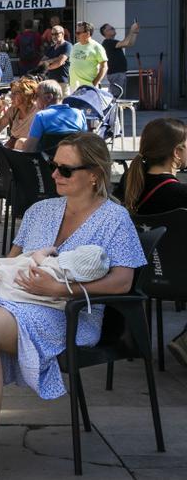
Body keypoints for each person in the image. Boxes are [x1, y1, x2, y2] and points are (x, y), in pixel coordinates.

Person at [0, 134, 143, 480]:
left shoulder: (114, 219)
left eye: (65, 170)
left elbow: (123, 282)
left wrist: (61, 287)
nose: (54, 174)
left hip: (67, 312)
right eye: (53, 166)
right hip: (18, 298)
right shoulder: (42, 210)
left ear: (94, 175)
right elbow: (11, 262)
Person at [120, 118, 187, 365]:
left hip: (139, 278)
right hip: (180, 282)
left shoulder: (128, 185)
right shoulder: (179, 195)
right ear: (176, 152)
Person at [23, 80, 86, 153]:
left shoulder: (41, 116)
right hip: (74, 160)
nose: (34, 100)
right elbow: (85, 142)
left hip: (48, 161)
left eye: (36, 96)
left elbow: (29, 148)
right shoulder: (79, 114)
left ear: (49, 97)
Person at [0, 76, 39, 150]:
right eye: (11, 93)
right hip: (15, 147)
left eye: (15, 93)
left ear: (26, 95)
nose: (11, 96)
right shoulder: (13, 110)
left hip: (30, 149)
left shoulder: (37, 111)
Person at [100, 22, 139, 96]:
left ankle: (115, 107)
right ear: (105, 32)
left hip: (119, 73)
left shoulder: (113, 42)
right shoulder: (108, 42)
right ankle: (113, 108)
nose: (113, 29)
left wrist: (135, 32)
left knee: (119, 95)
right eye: (111, 28)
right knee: (116, 96)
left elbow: (130, 44)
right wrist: (131, 30)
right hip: (116, 74)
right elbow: (126, 43)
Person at [68, 21, 108, 91]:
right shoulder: (75, 46)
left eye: (78, 33)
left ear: (87, 33)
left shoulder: (97, 47)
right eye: (76, 32)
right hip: (74, 87)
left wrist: (94, 83)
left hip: (88, 88)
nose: (76, 35)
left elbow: (104, 67)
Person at [38, 25, 72, 94]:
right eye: (52, 34)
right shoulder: (51, 48)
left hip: (63, 82)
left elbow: (59, 63)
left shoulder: (67, 46)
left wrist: (47, 65)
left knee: (63, 103)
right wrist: (54, 59)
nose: (54, 36)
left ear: (62, 34)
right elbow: (40, 64)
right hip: (51, 82)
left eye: (56, 34)